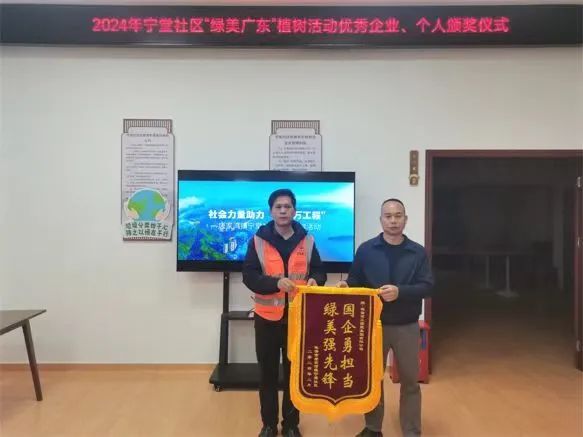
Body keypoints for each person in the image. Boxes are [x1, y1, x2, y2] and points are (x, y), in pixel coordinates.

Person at [337, 198, 433, 437]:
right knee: (371, 380)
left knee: (410, 381)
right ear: (381, 220)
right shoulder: (366, 250)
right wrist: (346, 286)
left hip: (407, 326)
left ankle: (411, 430)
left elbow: (428, 286)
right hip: (372, 325)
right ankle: (373, 428)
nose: (393, 221)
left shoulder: (417, 252)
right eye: (388, 216)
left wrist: (401, 292)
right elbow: (355, 280)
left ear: (405, 219)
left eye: (398, 216)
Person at [243, 188, 327, 437]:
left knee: (295, 375)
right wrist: (275, 283)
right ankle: (269, 425)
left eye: (287, 206)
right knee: (267, 375)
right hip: (267, 320)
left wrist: (316, 280)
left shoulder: (307, 240)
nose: (283, 211)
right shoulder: (258, 241)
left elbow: (319, 271)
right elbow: (249, 276)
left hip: (298, 319)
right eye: (278, 207)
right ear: (271, 211)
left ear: (294, 210)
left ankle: (291, 425)